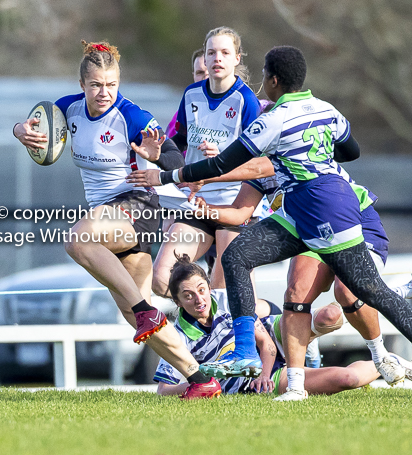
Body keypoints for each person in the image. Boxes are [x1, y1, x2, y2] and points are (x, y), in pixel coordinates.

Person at [126, 45, 412, 401]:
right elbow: (350, 151)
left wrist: (166, 175)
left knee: (365, 292)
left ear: (274, 80)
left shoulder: (272, 120)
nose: (262, 82)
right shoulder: (327, 109)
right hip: (299, 210)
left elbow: (221, 165)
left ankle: (390, 327)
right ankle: (249, 354)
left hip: (327, 207)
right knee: (239, 256)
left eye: (264, 76)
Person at [13, 40, 219, 398]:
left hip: (136, 204)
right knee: (131, 309)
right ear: (82, 85)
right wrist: (21, 131)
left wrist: (161, 158)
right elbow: (33, 125)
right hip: (106, 218)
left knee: (78, 240)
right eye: (96, 85)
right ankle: (201, 379)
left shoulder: (132, 115)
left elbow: (172, 156)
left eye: (111, 84)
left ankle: (145, 312)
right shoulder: (67, 110)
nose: (104, 92)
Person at [194, 173, 410, 388]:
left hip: (351, 220)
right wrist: (204, 207)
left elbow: (347, 148)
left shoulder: (281, 149)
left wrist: (201, 174)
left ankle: (381, 355)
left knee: (347, 291)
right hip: (309, 230)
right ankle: (295, 387)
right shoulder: (256, 163)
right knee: (296, 294)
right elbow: (241, 211)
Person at [154, 255, 409, 398]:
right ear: (176, 301)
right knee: (347, 378)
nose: (199, 300)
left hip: (268, 345)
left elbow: (266, 345)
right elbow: (163, 390)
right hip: (254, 382)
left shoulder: (224, 301)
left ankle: (380, 296)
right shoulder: (177, 336)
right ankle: (391, 362)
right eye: (188, 296)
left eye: (201, 290)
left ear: (209, 287)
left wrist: (262, 373)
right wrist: (206, 380)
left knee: (329, 316)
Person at [152, 26, 265, 297]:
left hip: (232, 207)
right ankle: (208, 321)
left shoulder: (246, 101)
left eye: (225, 52)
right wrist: (159, 155)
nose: (217, 58)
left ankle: (263, 322)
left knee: (225, 292)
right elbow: (177, 141)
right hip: (195, 204)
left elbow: (258, 163)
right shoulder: (192, 95)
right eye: (211, 52)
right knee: (161, 281)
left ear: (237, 58)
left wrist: (225, 156)